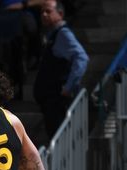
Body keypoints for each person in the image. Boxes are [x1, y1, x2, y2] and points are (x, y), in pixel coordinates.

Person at [34, 0, 88, 138]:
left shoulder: (63, 33)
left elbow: (81, 58)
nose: (44, 15)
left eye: (48, 11)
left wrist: (69, 87)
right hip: (49, 102)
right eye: (42, 12)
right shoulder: (52, 34)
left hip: (57, 101)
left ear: (60, 13)